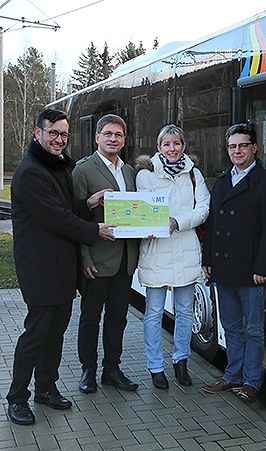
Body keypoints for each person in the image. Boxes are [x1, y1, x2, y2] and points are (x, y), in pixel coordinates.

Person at [6, 108, 115, 426]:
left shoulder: (55, 167)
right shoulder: (31, 172)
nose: (58, 140)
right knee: (36, 334)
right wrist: (95, 230)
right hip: (41, 269)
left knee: (55, 333)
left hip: (62, 267)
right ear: (37, 133)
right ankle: (16, 398)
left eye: (64, 135)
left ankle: (46, 388)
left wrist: (88, 204)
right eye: (52, 133)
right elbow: (55, 218)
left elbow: (66, 209)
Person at [201, 122, 266, 402]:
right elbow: (214, 223)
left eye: (243, 145)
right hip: (223, 269)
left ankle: (251, 381)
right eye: (232, 146)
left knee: (253, 329)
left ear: (255, 148)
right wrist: (207, 258)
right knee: (231, 327)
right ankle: (232, 375)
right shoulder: (223, 179)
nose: (237, 151)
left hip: (251, 272)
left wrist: (263, 267)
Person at [135, 124, 209, 390]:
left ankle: (181, 360)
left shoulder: (194, 175)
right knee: (154, 312)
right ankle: (155, 366)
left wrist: (177, 222)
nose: (172, 149)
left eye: (176, 143)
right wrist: (148, 227)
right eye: (166, 144)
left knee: (185, 311)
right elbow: (140, 211)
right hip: (156, 252)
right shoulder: (145, 175)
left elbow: (203, 208)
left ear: (184, 146)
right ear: (158, 148)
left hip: (186, 250)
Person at [72, 114, 139, 394]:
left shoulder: (130, 172)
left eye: (118, 135)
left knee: (118, 318)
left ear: (124, 140)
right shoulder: (83, 170)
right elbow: (72, 216)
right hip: (96, 260)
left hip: (125, 259)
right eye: (108, 134)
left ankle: (112, 368)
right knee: (90, 319)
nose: (113, 139)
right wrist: (84, 259)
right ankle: (88, 370)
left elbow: (137, 210)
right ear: (97, 137)